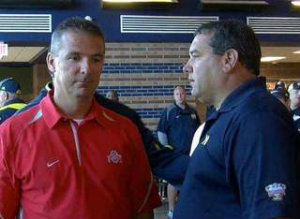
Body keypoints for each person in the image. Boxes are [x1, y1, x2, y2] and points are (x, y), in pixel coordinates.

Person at [0, 17, 162, 219]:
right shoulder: (12, 133)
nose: (87, 69)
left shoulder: (125, 129)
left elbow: (143, 210)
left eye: (96, 59)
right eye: (74, 57)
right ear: (52, 62)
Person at [175, 20, 300, 219]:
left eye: (195, 56)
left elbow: (272, 213)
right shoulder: (231, 114)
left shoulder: (258, 119)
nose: (186, 67)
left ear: (229, 59)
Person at [157, 85, 200, 219]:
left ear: (186, 95)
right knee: (174, 182)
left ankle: (189, 208)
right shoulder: (169, 111)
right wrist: (166, 149)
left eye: (182, 93)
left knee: (191, 181)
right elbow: (161, 132)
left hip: (191, 154)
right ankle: (171, 210)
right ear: (174, 96)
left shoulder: (192, 111)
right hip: (175, 153)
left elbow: (199, 130)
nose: (180, 96)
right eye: (177, 94)